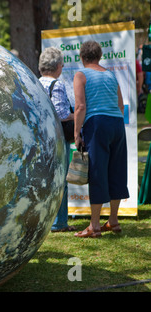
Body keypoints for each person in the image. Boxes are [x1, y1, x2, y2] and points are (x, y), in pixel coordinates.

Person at [73, 40, 129, 238]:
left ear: (82, 57)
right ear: (99, 56)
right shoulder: (111, 75)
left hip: (96, 124)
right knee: (117, 170)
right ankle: (113, 220)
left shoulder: (81, 75)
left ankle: (94, 225)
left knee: (97, 171)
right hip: (116, 123)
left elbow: (80, 107)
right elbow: (121, 105)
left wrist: (76, 132)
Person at [38, 47, 75, 233]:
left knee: (44, 179)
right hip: (57, 138)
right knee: (60, 180)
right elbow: (61, 114)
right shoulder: (57, 85)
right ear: (58, 66)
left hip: (40, 136)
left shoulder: (35, 83)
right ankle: (59, 222)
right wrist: (75, 116)